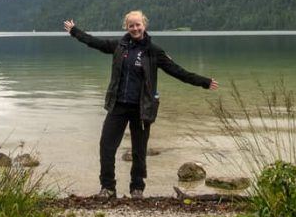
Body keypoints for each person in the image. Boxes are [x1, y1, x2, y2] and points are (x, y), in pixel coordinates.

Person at [63, 11, 218, 199]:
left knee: (139, 151)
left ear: (144, 25)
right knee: (106, 147)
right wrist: (74, 31)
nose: (135, 28)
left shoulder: (154, 51)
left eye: (138, 25)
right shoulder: (119, 46)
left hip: (141, 109)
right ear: (126, 27)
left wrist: (203, 81)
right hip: (118, 106)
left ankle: (137, 189)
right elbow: (94, 42)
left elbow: (178, 71)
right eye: (131, 25)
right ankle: (108, 188)